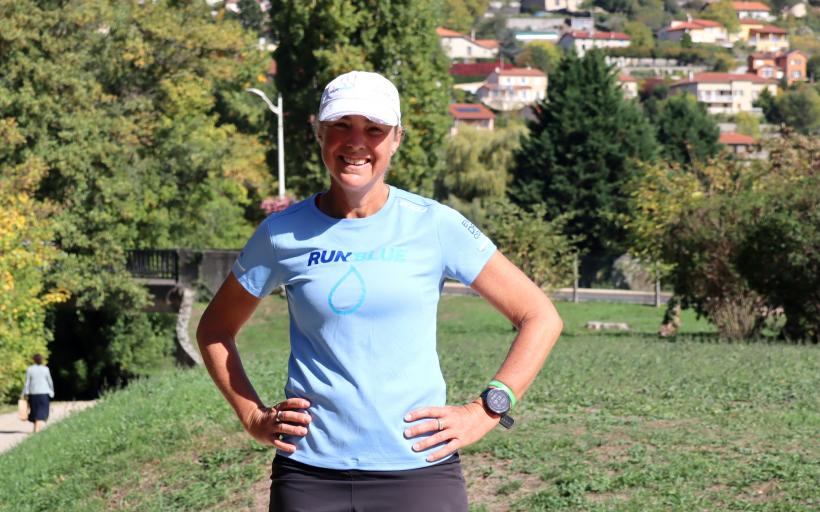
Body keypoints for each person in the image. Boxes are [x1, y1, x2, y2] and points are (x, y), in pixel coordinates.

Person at [197, 70, 563, 511]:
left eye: (374, 129)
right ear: (319, 133)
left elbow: (539, 316)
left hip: (420, 471)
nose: (356, 143)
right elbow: (215, 329)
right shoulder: (282, 234)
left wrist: (486, 409)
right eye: (341, 127)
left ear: (396, 139)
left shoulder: (435, 224)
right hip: (310, 476)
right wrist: (253, 417)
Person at [23, 354, 55, 433]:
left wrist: (24, 392)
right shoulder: (45, 369)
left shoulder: (30, 369)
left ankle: (36, 428)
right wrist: (52, 391)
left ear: (33, 360)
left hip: (33, 393)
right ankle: (39, 429)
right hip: (44, 393)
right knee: (43, 411)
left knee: (34, 410)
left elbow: (27, 382)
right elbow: (49, 381)